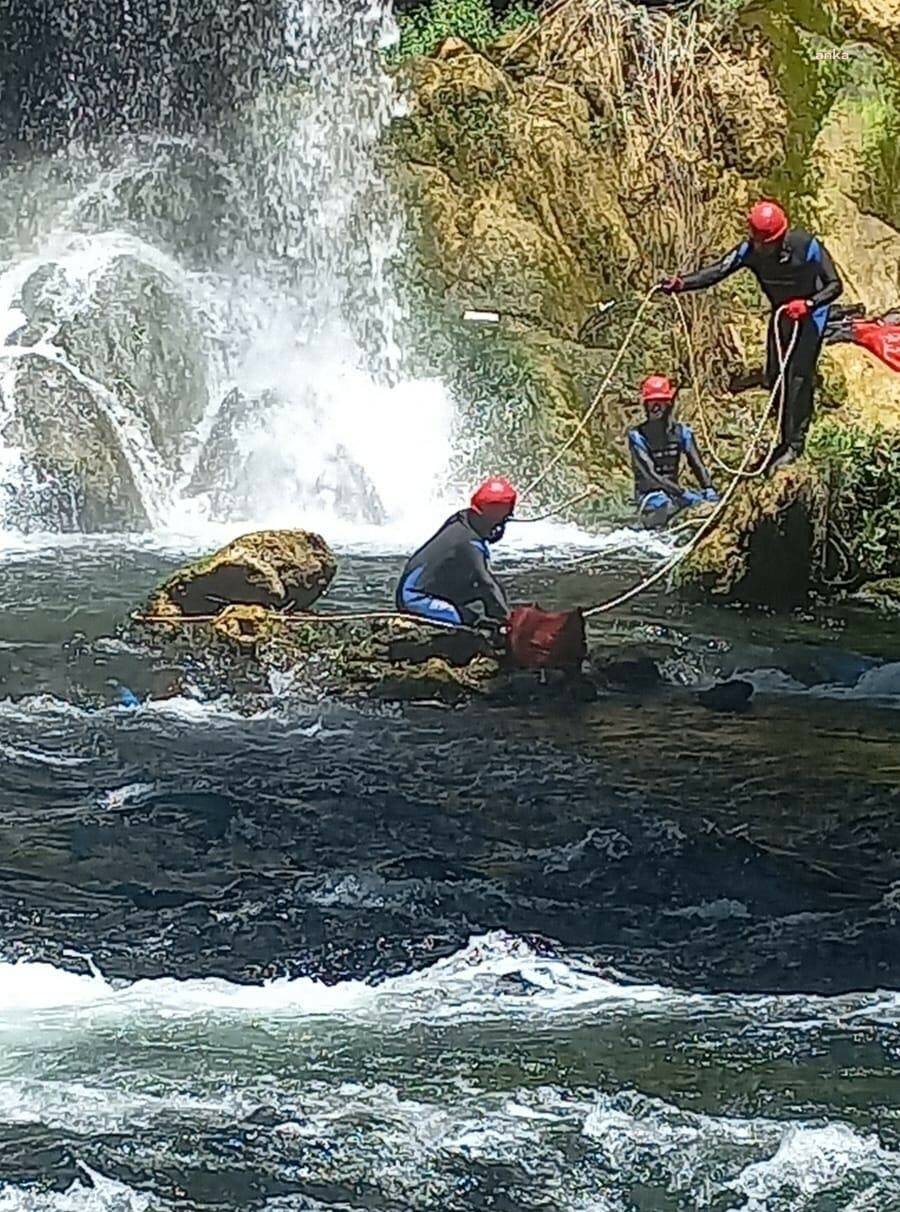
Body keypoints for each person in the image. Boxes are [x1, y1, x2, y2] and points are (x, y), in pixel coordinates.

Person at [659, 199, 843, 472]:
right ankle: (782, 437)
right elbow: (719, 270)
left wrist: (809, 304)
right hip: (782, 313)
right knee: (775, 376)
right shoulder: (750, 251)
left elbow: (835, 285)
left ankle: (794, 444)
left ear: (780, 238)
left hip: (810, 313)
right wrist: (682, 283)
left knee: (798, 377)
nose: (760, 247)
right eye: (757, 241)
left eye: (765, 243)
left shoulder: (807, 246)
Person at [396, 477, 516, 629]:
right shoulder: (468, 543)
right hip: (413, 598)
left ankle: (500, 624)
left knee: (486, 590)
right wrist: (509, 620)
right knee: (472, 619)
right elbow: (487, 582)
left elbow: (488, 537)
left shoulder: (461, 518)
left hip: (429, 588)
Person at [629, 374, 719, 529]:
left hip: (674, 495)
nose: (655, 407)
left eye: (660, 402)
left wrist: (708, 488)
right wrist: (682, 493)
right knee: (663, 504)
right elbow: (651, 476)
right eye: (651, 403)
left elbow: (697, 465)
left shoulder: (682, 433)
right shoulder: (637, 436)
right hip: (650, 497)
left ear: (669, 404)